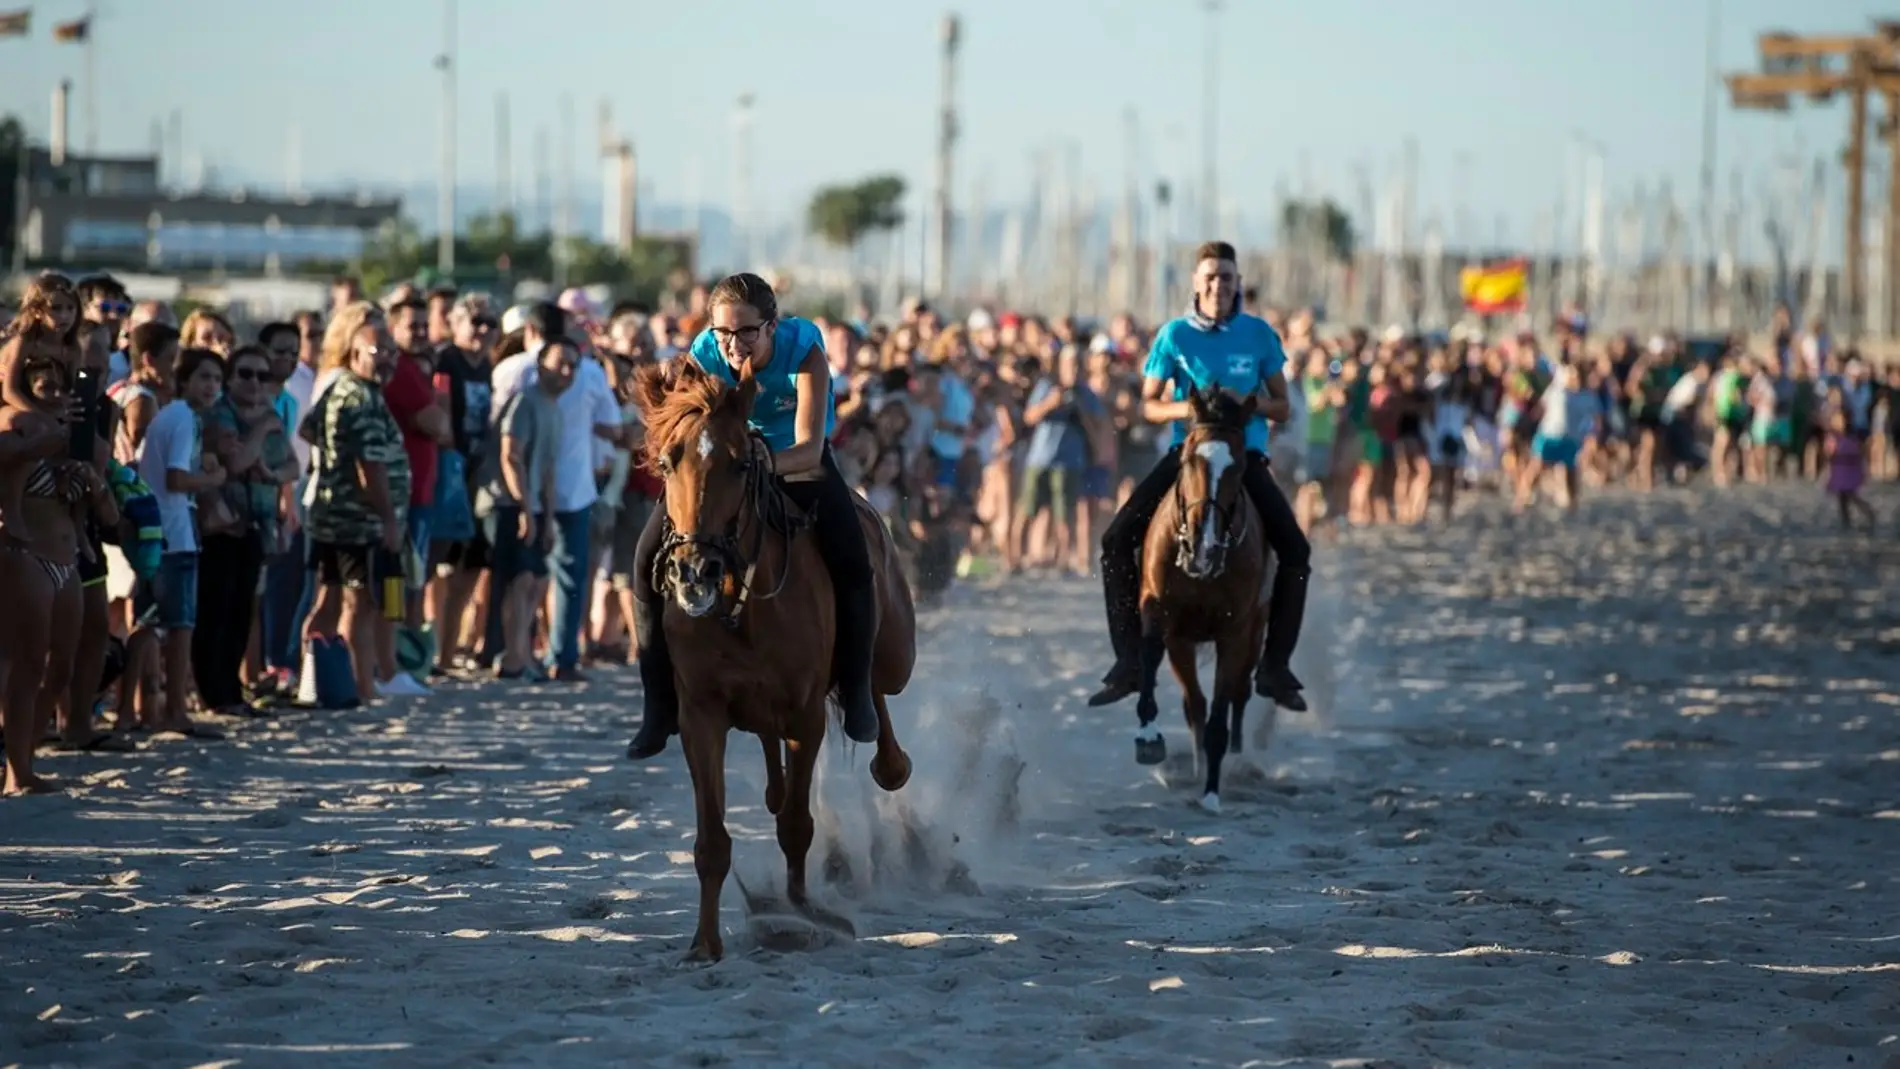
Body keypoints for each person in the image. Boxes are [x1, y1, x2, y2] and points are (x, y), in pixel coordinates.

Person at [626, 272, 880, 759]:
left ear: (771, 326)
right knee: (643, 560)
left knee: (852, 558)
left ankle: (857, 688)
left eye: (746, 332)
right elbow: (687, 430)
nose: (734, 344)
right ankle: (658, 705)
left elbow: (809, 447)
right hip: (727, 465)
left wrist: (760, 463)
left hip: (793, 459)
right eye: (724, 333)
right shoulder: (703, 355)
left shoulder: (804, 351)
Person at [1089, 241, 1312, 712]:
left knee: (1296, 548)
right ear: (1195, 283)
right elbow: (1147, 404)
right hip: (1187, 455)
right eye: (1209, 277)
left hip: (1242, 458)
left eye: (1226, 277)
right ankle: (1128, 661)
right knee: (1114, 540)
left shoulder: (1259, 335)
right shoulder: (1173, 336)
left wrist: (1244, 403)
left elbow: (1284, 405)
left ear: (1238, 283)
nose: (1217, 285)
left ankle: (1275, 666)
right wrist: (1188, 408)